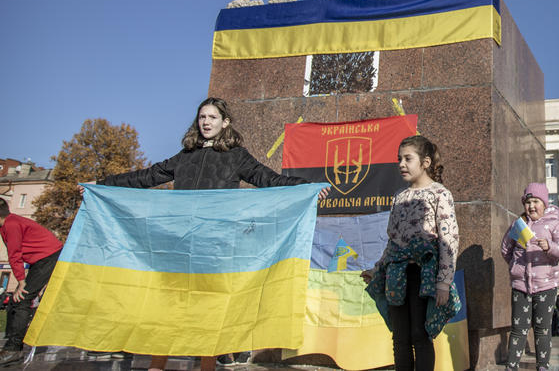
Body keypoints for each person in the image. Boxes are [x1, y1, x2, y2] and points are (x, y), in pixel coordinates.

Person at [95, 97, 324, 371]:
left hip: (215, 248)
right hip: (179, 245)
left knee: (208, 312)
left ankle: (207, 366)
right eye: (202, 117)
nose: (206, 122)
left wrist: (308, 187)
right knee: (167, 309)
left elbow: (270, 180)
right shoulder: (185, 156)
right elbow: (146, 176)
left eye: (212, 117)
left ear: (225, 123)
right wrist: (101, 184)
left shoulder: (236, 156)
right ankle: (156, 366)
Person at [362, 136, 459, 371]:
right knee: (400, 336)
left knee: (419, 333)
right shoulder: (399, 196)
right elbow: (393, 241)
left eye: (408, 159)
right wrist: (377, 269)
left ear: (425, 162)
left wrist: (443, 282)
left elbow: (449, 240)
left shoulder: (439, 194)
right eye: (399, 159)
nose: (401, 164)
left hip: (422, 274)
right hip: (395, 274)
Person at [500, 182, 559, 370]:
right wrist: (516, 266)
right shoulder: (519, 224)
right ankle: (511, 365)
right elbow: (505, 248)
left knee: (542, 329)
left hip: (546, 286)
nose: (531, 206)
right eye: (528, 202)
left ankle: (543, 365)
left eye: (536, 201)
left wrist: (550, 247)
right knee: (518, 328)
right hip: (521, 285)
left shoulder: (554, 224)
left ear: (544, 203)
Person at [0, 199, 63, 366]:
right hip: (44, 258)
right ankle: (10, 345)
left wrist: (20, 281)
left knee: (22, 299)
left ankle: (13, 350)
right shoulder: (9, 223)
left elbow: (14, 254)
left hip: (49, 257)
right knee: (17, 300)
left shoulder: (10, 225)